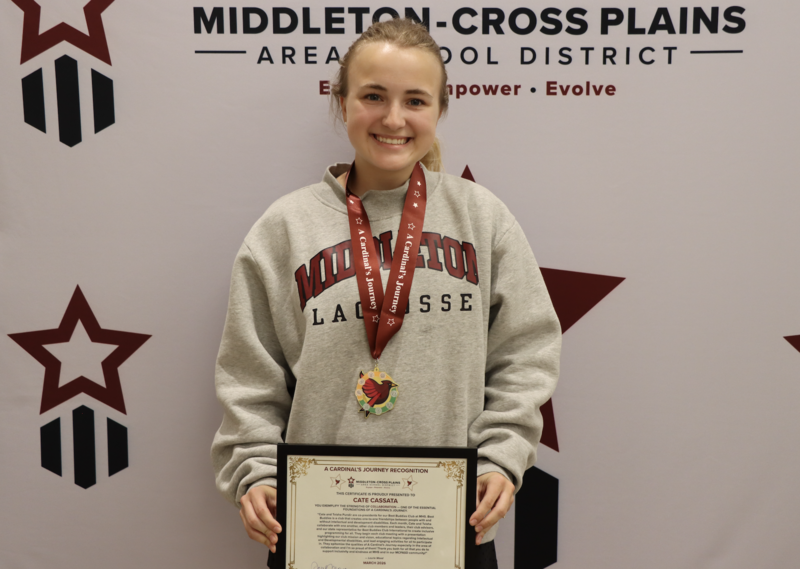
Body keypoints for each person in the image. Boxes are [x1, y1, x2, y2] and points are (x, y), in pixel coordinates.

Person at [211, 18, 560, 568]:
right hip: (318, 529)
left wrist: (502, 455)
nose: (393, 119)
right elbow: (251, 376)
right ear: (342, 103)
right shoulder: (285, 228)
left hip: (451, 525)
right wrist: (254, 471)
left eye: (415, 100)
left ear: (439, 110)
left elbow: (526, 352)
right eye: (373, 96)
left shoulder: (482, 218)